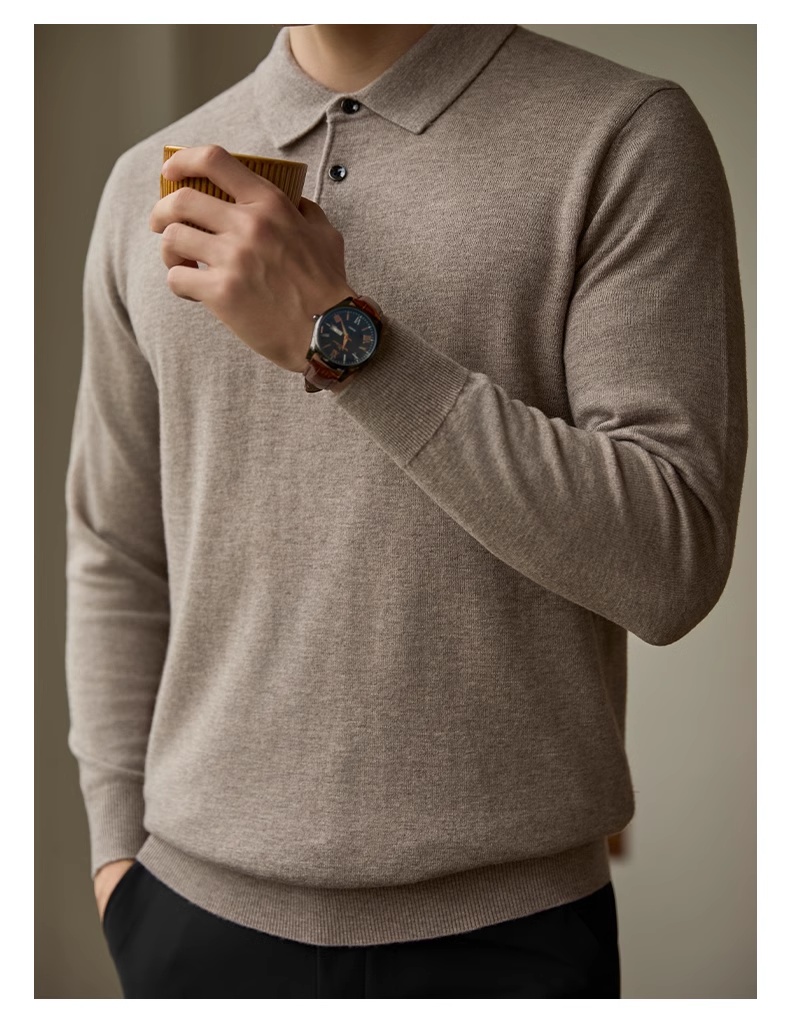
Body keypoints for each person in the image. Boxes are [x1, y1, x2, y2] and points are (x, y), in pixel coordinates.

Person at [64, 23, 748, 998]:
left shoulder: (624, 135)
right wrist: (115, 861)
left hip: (504, 940)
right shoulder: (146, 182)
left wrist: (344, 341)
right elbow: (115, 549)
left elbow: (670, 562)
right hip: (186, 919)